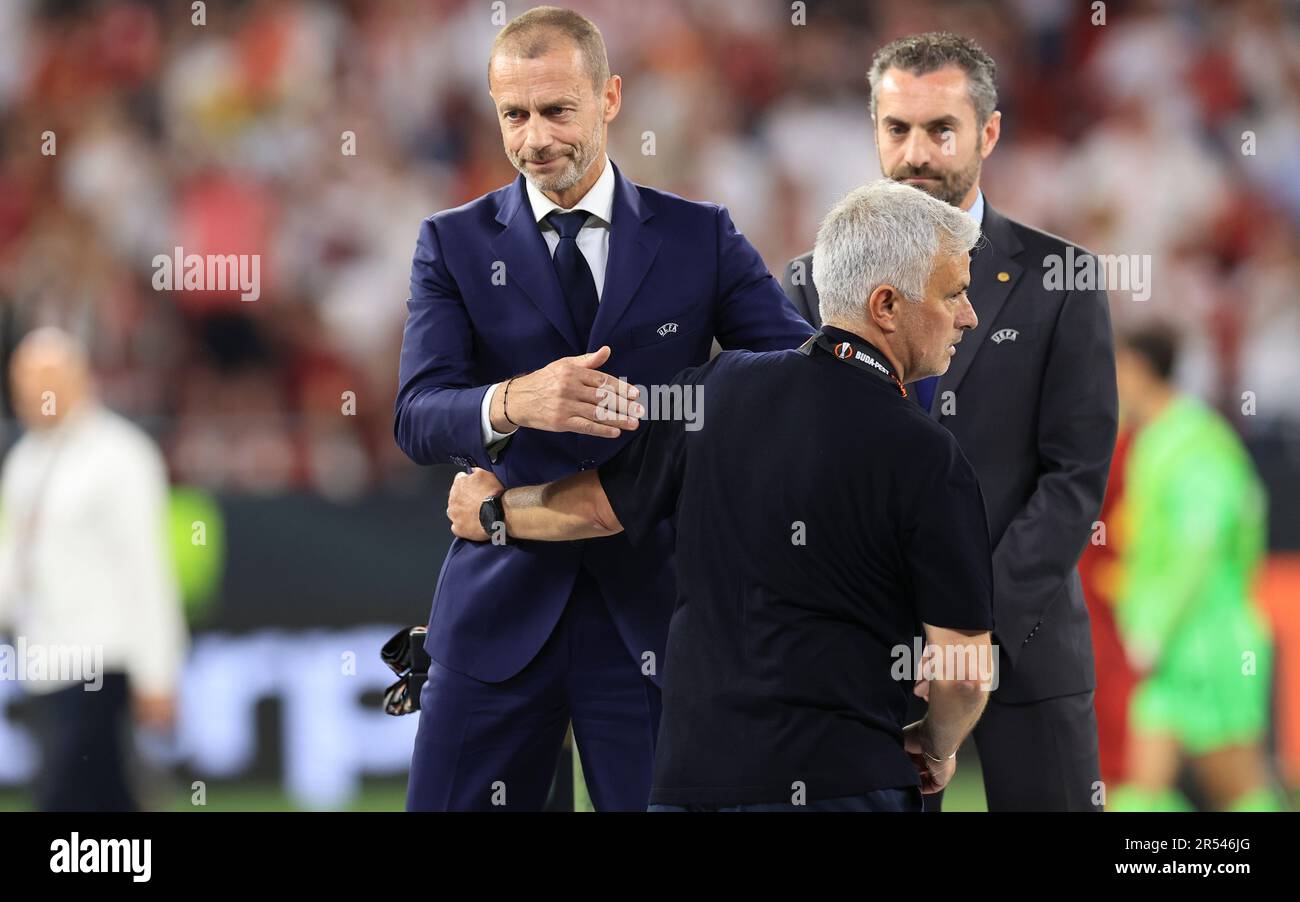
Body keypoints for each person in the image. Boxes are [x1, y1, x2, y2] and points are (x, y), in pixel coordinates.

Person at [446, 179, 994, 811]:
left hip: (690, 785)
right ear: (887, 305)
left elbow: (596, 508)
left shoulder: (713, 390)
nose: (968, 315)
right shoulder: (929, 456)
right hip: (846, 784)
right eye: (954, 293)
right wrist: (937, 740)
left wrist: (491, 512)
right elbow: (963, 668)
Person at [395, 6, 813, 812]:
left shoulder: (700, 236)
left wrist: (667, 420)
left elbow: (795, 379)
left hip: (657, 616)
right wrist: (520, 400)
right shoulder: (452, 242)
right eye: (513, 114)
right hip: (497, 614)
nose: (534, 137)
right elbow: (417, 414)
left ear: (610, 98)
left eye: (557, 110)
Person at [781, 32, 1117, 811]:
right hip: (866, 656)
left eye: (941, 130)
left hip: (1026, 649)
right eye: (897, 130)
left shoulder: (1061, 280)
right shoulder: (808, 285)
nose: (916, 153)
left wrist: (970, 631)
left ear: (988, 133)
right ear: (874, 131)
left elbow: (1074, 480)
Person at [0, 327, 188, 811]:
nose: (30, 391)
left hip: (102, 663)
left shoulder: (120, 456)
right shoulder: (24, 461)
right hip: (44, 663)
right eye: (21, 378)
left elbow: (148, 569)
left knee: (66, 798)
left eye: (44, 377)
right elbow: (17, 564)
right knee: (104, 800)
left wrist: (158, 673)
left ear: (79, 379)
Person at [1109, 325, 1285, 812]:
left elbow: (1199, 541)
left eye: (1116, 368)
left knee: (1240, 790)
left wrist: (1154, 628)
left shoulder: (1195, 440)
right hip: (1169, 649)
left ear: (1139, 371)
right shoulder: (1158, 438)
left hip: (1211, 643)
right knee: (1140, 791)